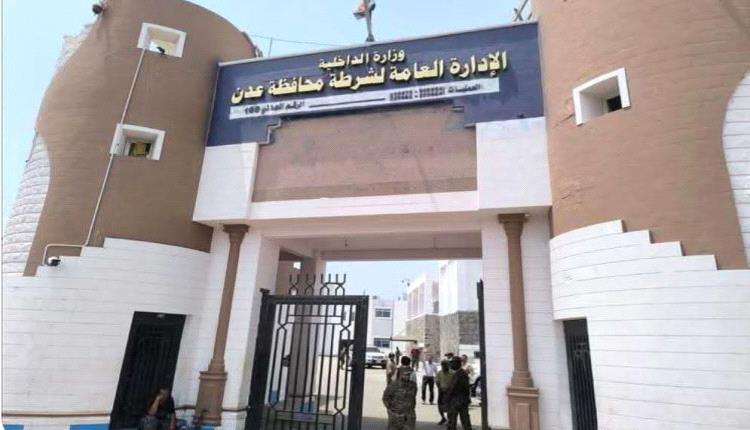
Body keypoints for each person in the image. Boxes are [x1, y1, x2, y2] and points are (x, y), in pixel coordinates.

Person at [382, 357, 418, 430]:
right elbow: (385, 398)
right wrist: (391, 411)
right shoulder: (393, 385)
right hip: (396, 416)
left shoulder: (413, 386)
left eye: (408, 374)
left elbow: (413, 397)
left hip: (409, 416)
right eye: (405, 374)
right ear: (401, 374)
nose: (407, 376)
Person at [445, 357, 472, 430]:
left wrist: (447, 398)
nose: (451, 365)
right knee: (464, 421)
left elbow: (453, 388)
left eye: (452, 363)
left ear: (457, 364)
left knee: (453, 421)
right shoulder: (460, 373)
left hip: (457, 401)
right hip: (461, 400)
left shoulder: (460, 374)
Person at [435, 360, 453, 425]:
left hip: (449, 392)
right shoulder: (439, 373)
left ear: (448, 366)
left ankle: (449, 420)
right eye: (443, 365)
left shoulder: (452, 373)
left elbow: (454, 383)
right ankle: (443, 418)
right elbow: (437, 381)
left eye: (445, 365)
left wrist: (449, 389)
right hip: (441, 392)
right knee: (440, 405)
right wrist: (440, 388)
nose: (444, 367)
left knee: (449, 406)